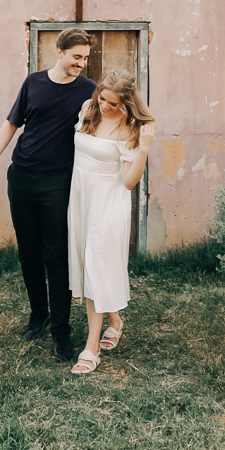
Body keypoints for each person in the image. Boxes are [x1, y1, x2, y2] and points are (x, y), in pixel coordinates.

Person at [0, 27, 96, 362]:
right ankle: (39, 315)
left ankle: (62, 332)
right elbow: (12, 123)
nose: (81, 64)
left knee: (56, 256)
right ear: (59, 52)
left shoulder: (88, 90)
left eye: (85, 58)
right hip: (21, 176)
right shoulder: (34, 83)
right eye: (77, 57)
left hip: (59, 181)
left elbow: (104, 125)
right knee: (29, 253)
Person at [68, 69, 155, 374]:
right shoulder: (88, 110)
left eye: (113, 103)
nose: (105, 106)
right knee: (89, 263)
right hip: (81, 200)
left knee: (94, 264)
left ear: (127, 104)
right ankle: (115, 320)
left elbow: (129, 182)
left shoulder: (132, 128)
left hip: (109, 204)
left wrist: (143, 149)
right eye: (102, 98)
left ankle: (91, 349)